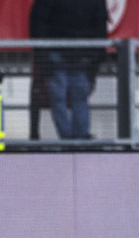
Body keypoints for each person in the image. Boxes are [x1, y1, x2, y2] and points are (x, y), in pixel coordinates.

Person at [29, 0, 108, 140]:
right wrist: (98, 53)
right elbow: (100, 23)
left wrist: (41, 51)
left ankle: (72, 138)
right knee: (76, 96)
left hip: (63, 52)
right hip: (74, 53)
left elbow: (38, 20)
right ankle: (78, 137)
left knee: (63, 97)